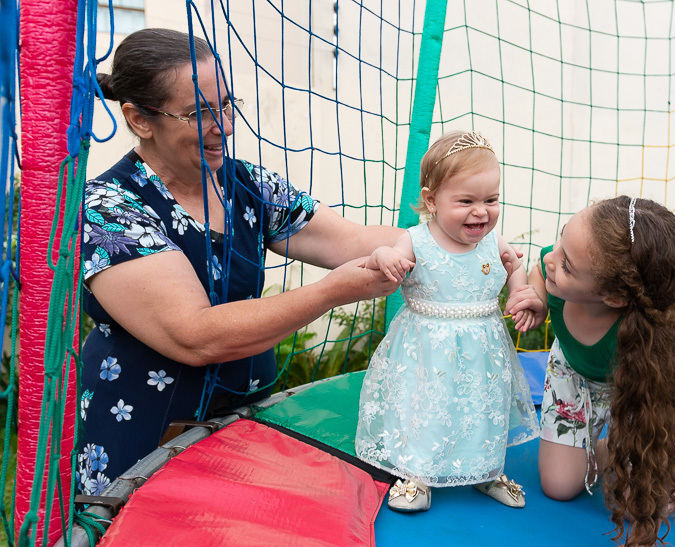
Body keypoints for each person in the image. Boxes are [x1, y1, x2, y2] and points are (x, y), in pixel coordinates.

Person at [77, 28, 407, 493]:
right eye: (199, 114)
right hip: (143, 445)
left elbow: (354, 240)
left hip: (243, 426)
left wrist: (453, 239)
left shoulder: (248, 185)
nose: (225, 127)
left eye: (228, 105)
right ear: (139, 119)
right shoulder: (110, 209)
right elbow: (194, 335)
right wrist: (332, 292)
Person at [506, 196, 675, 547]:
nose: (551, 259)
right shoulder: (560, 268)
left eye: (568, 265)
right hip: (571, 375)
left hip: (629, 389)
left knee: (637, 499)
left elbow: (648, 424)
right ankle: (602, 448)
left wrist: (643, 539)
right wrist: (540, 298)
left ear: (612, 298)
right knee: (560, 487)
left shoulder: (646, 348)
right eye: (560, 242)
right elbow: (542, 268)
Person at [355, 131, 540, 512]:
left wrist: (521, 294)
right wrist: (381, 256)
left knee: (481, 406)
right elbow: (380, 258)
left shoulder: (494, 241)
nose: (481, 212)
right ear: (431, 201)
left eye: (491, 200)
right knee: (425, 406)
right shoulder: (416, 240)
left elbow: (513, 266)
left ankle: (485, 468)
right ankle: (417, 473)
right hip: (427, 349)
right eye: (466, 201)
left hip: (482, 348)